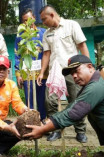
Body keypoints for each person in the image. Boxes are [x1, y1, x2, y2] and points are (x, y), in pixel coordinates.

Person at [24, 54, 104, 146]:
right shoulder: (92, 83)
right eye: (72, 74)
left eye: (76, 71)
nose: (74, 76)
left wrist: (42, 129)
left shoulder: (95, 86)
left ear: (90, 67)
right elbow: (72, 106)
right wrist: (43, 124)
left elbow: (75, 112)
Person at [37, 5, 90, 142]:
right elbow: (46, 54)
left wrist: (88, 67)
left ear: (52, 15)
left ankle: (80, 131)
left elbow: (82, 46)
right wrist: (42, 73)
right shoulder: (47, 33)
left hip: (74, 70)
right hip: (55, 72)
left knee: (77, 101)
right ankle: (55, 130)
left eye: (44, 19)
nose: (43, 23)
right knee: (50, 101)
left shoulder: (72, 25)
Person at [15, 8, 47, 121]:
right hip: (27, 73)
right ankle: (32, 123)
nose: (27, 22)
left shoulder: (43, 33)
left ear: (33, 18)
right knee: (29, 100)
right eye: (24, 20)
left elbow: (47, 53)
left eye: (29, 19)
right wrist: (18, 74)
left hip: (42, 74)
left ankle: (43, 121)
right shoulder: (20, 36)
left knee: (42, 99)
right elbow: (17, 55)